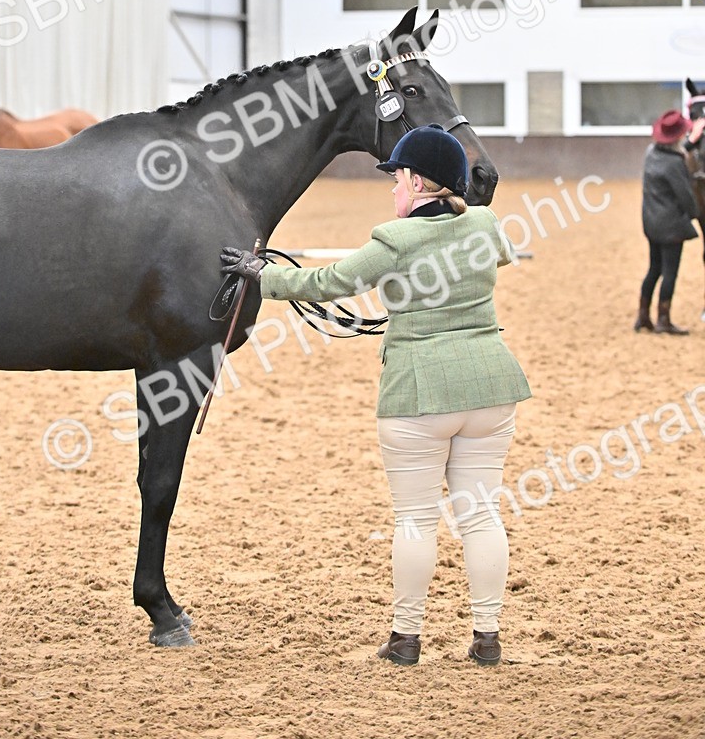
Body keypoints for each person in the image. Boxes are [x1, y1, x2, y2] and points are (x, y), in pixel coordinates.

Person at [221, 123, 531, 668]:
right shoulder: (484, 222)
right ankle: (487, 637)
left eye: (397, 178)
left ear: (416, 181)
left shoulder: (393, 238)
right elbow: (499, 254)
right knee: (480, 515)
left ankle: (406, 639)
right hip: (490, 386)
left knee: (415, 520)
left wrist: (260, 274)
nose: (392, 189)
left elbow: (325, 284)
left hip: (419, 390)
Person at [635, 109, 700, 336]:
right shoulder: (675, 163)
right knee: (670, 272)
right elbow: (685, 196)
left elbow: (678, 152)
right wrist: (695, 213)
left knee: (654, 268)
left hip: (652, 221)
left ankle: (643, 315)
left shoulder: (651, 152)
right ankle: (664, 318)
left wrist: (690, 143)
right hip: (671, 225)